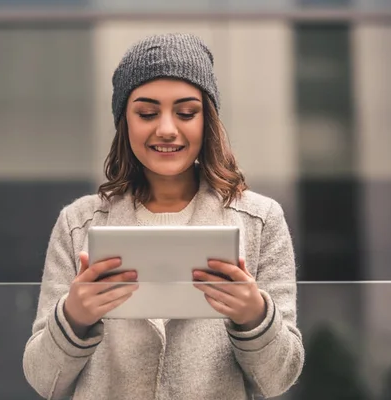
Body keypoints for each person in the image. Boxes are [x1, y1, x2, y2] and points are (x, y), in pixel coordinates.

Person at [23, 33, 304, 400]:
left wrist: (254, 315)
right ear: (125, 121)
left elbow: (279, 378)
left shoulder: (260, 221)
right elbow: (44, 381)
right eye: (147, 113)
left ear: (208, 120)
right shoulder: (79, 224)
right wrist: (74, 316)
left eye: (186, 112)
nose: (167, 129)